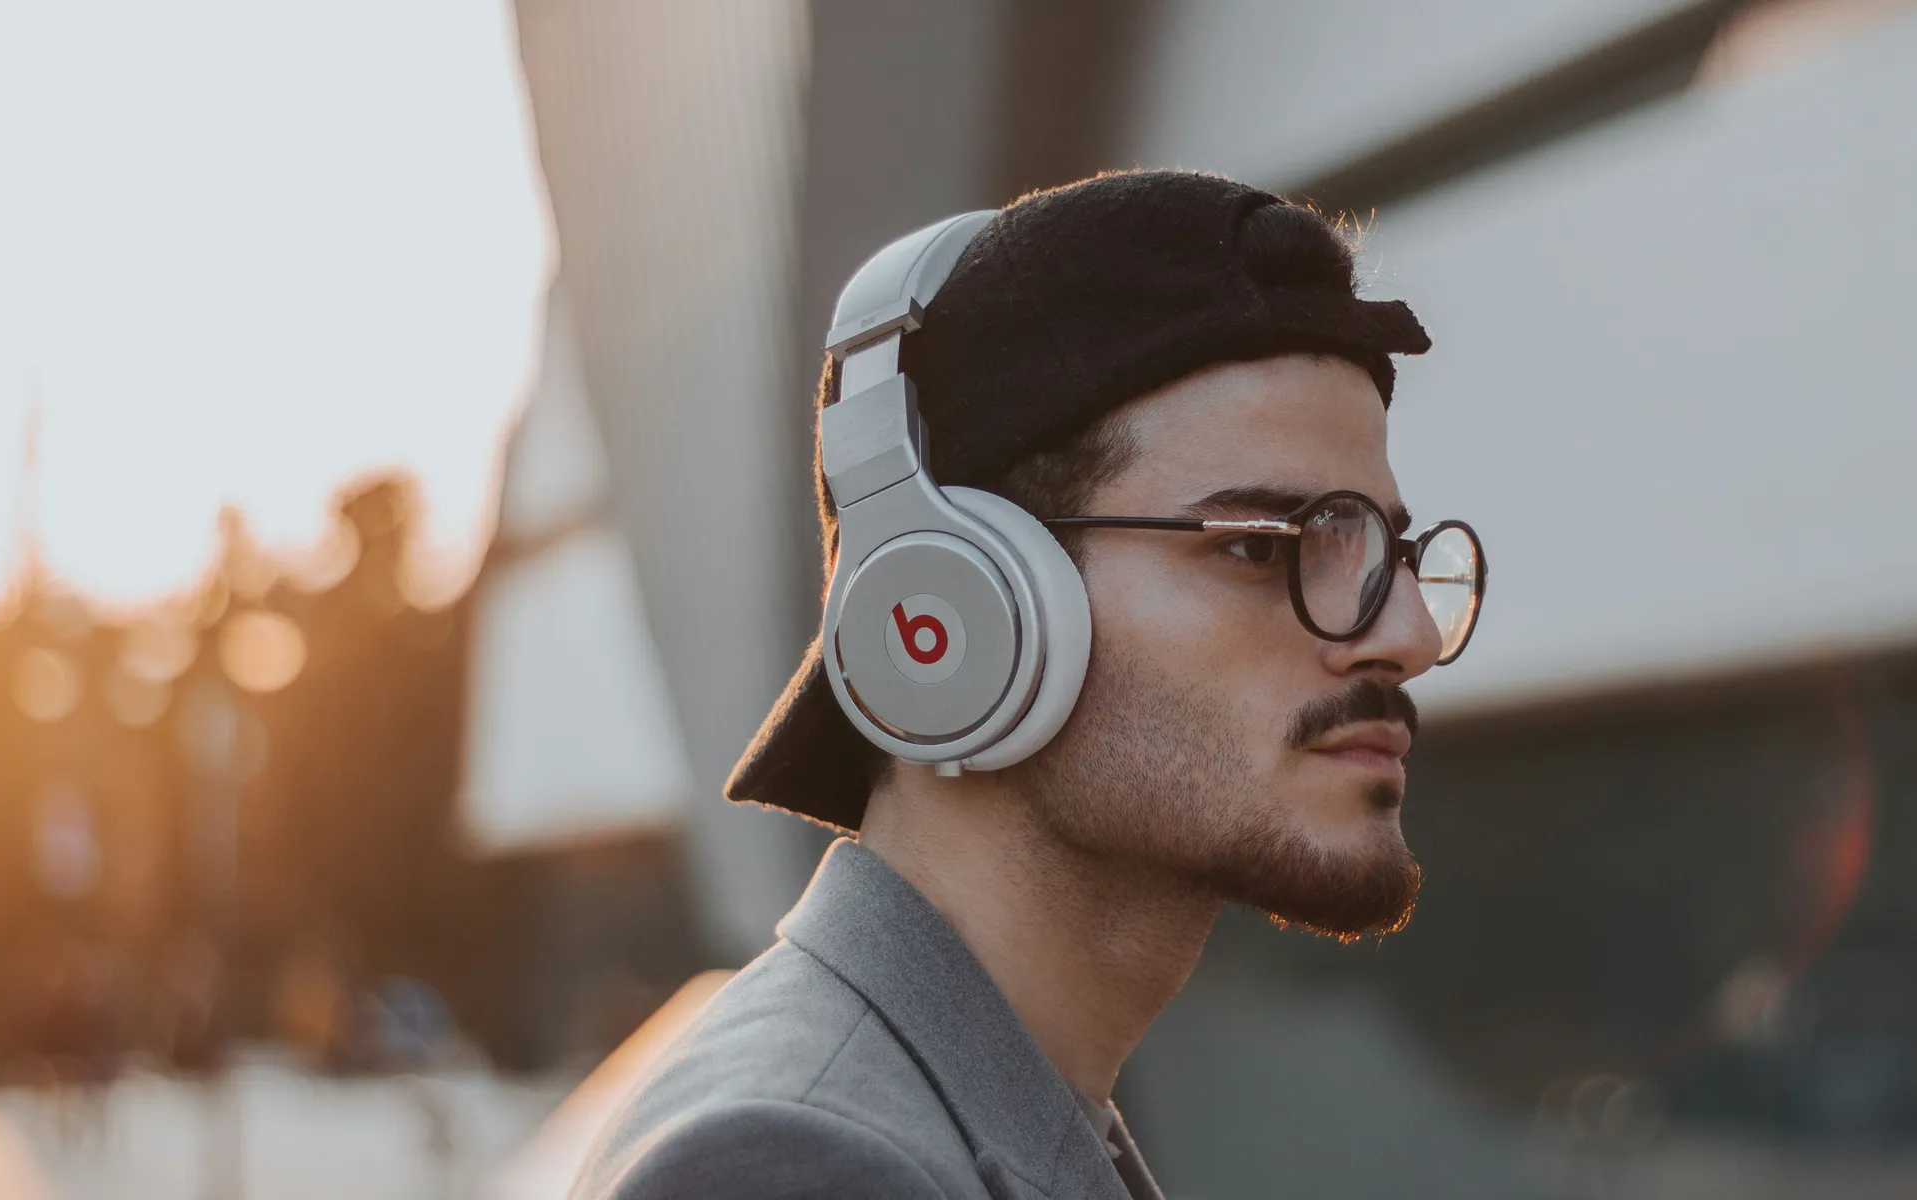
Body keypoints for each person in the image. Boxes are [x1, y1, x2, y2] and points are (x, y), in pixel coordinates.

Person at [569, 169, 1488, 1199]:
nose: (1405, 635)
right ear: (956, 614)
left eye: (1383, 549)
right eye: (1264, 547)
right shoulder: (795, 1168)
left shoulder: (996, 1120)